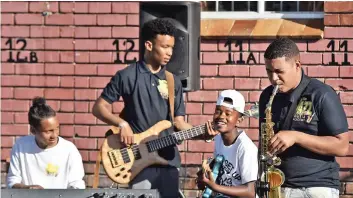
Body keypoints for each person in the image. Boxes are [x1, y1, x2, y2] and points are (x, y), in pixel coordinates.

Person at [92, 18, 196, 197]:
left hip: (169, 161)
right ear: (149, 45)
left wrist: (202, 133)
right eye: (164, 47)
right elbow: (99, 107)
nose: (169, 52)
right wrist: (122, 125)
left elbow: (178, 122)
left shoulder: (173, 81)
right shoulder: (127, 76)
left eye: (171, 47)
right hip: (139, 162)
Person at [259, 38, 349, 198]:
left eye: (279, 72)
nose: (273, 79)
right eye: (268, 71)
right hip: (278, 187)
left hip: (315, 186)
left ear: (297, 65)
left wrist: (296, 137)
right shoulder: (267, 96)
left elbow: (342, 146)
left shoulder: (322, 94)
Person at [7, 97, 85, 189]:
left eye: (57, 128)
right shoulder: (20, 146)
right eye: (48, 131)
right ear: (33, 130)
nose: (55, 135)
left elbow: (77, 184)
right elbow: (12, 182)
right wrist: (27, 189)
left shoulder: (69, 150)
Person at [196, 90, 258, 198]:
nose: (221, 116)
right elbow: (217, 173)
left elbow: (250, 192)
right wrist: (204, 178)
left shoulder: (246, 148)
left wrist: (214, 186)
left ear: (239, 120)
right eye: (218, 111)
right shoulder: (219, 138)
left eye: (228, 113)